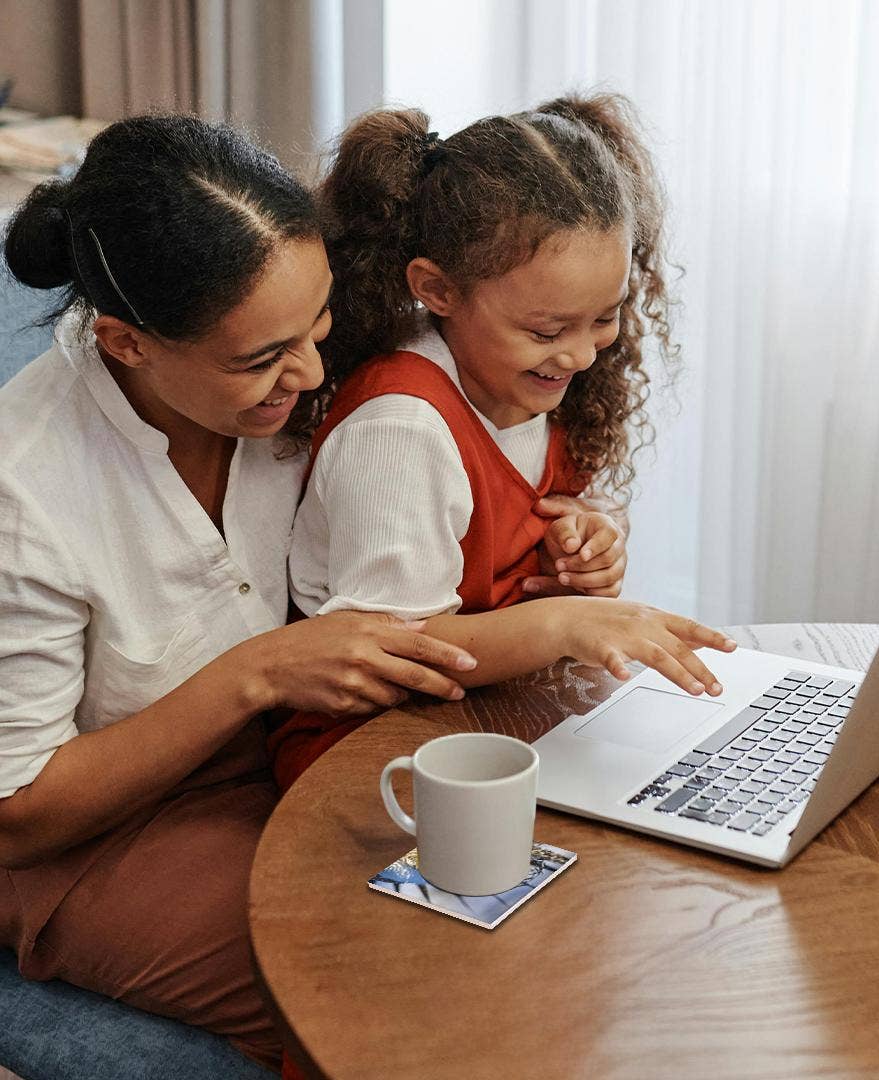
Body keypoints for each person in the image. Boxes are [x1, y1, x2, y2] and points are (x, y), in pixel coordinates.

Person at [0, 115, 478, 1070]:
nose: (307, 375)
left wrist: (576, 522)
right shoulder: (27, 490)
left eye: (319, 327)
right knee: (387, 991)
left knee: (518, 912)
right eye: (261, 359)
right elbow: (18, 809)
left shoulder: (293, 384)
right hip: (94, 839)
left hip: (292, 762)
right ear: (126, 344)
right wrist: (257, 673)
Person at [271, 93, 738, 794]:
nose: (581, 356)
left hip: (493, 717)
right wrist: (566, 624)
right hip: (370, 748)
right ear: (436, 289)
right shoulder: (399, 430)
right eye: (549, 331)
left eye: (604, 319)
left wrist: (590, 539)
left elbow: (531, 516)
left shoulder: (525, 382)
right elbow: (400, 649)